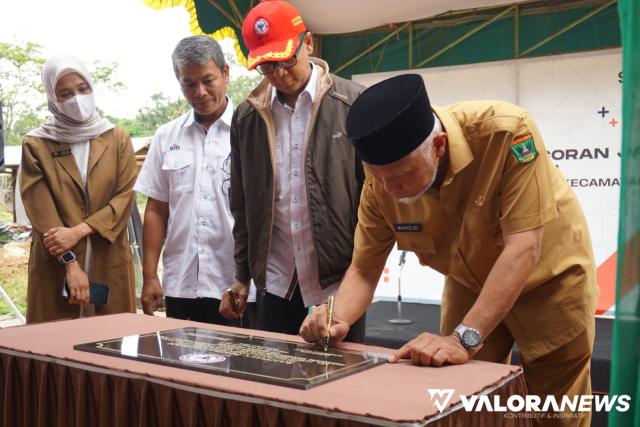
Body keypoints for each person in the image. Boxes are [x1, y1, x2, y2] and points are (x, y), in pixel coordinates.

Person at [300, 74, 599, 427]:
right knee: (462, 404)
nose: (388, 190)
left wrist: (464, 338)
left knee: (555, 412)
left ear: (438, 145)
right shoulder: (381, 182)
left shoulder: (507, 131)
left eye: (400, 177)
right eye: (376, 176)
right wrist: (336, 320)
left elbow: (523, 247)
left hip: (550, 279)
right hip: (469, 281)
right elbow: (364, 269)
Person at [219, 0, 366, 339]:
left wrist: (361, 272)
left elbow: (371, 198)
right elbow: (242, 204)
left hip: (337, 281)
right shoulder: (247, 117)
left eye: (285, 60)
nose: (279, 74)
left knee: (340, 379)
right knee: (278, 380)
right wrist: (243, 274)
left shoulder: (352, 103)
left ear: (308, 43)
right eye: (267, 67)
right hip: (276, 281)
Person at [135, 36, 255, 326]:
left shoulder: (252, 130)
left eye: (208, 80)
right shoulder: (166, 136)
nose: (200, 92)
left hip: (238, 285)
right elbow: (155, 209)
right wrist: (150, 277)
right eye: (189, 84)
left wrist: (249, 276)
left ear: (226, 73)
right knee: (181, 366)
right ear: (180, 83)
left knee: (239, 366)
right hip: (182, 284)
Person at [20, 54, 137, 323]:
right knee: (56, 350)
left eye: (82, 89)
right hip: (57, 265)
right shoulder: (37, 144)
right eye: (65, 93)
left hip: (108, 260)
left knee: (111, 344)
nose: (77, 98)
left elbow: (124, 198)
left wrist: (80, 230)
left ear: (92, 87)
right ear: (52, 97)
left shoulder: (116, 137)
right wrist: (70, 263)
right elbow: (42, 213)